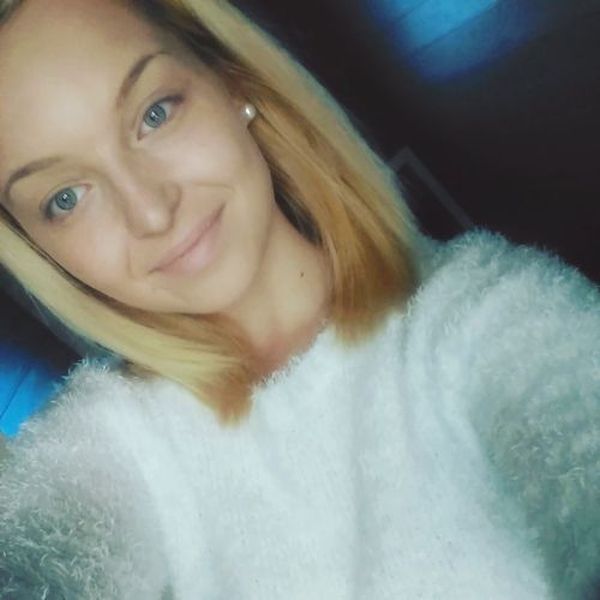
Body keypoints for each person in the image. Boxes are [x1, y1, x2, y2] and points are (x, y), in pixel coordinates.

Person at [0, 0, 598, 598]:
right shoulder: (106, 447)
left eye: (155, 113)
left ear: (231, 81)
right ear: (44, 253)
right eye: (65, 198)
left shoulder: (492, 317)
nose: (151, 212)